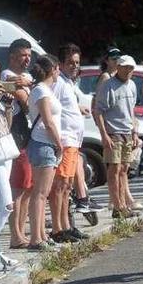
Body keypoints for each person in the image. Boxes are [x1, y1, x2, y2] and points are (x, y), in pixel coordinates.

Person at [47, 44, 89, 244]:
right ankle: (57, 228)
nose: (74, 66)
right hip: (64, 139)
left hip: (73, 140)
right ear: (61, 64)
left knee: (67, 185)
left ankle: (66, 225)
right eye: (70, 62)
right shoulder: (58, 83)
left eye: (77, 62)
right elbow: (51, 109)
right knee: (60, 185)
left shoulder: (70, 83)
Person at [94, 55, 141, 219]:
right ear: (118, 67)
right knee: (114, 169)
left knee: (124, 169)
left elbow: (132, 110)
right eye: (125, 67)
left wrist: (135, 131)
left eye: (131, 68)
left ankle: (123, 204)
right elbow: (98, 111)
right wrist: (104, 134)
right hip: (113, 132)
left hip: (127, 132)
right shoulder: (108, 85)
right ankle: (117, 206)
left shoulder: (133, 85)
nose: (128, 71)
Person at [27, 55, 63, 250]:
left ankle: (41, 235)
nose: (58, 72)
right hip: (43, 143)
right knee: (40, 193)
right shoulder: (41, 90)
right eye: (57, 68)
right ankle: (36, 238)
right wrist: (59, 144)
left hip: (45, 144)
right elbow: (48, 122)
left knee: (43, 193)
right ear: (53, 69)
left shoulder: (45, 90)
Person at [2, 39, 33, 250]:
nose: (28, 59)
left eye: (29, 55)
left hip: (27, 134)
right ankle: (16, 235)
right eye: (23, 55)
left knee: (28, 187)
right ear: (13, 56)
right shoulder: (5, 75)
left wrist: (28, 84)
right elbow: (25, 99)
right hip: (14, 135)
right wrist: (26, 86)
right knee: (18, 187)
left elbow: (29, 86)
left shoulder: (27, 77)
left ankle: (21, 232)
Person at [0, 86, 17, 268]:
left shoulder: (0, 96)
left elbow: (6, 126)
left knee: (1, 204)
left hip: (5, 151)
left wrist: (8, 107)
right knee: (6, 204)